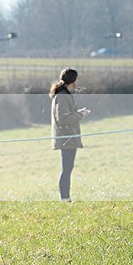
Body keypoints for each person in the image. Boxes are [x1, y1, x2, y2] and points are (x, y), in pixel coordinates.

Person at [50, 68, 90, 202]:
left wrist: (78, 112)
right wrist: (81, 115)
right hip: (66, 137)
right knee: (66, 169)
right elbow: (63, 119)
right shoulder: (63, 96)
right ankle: (65, 198)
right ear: (73, 80)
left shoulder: (63, 94)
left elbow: (66, 115)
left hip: (68, 137)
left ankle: (66, 198)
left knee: (68, 168)